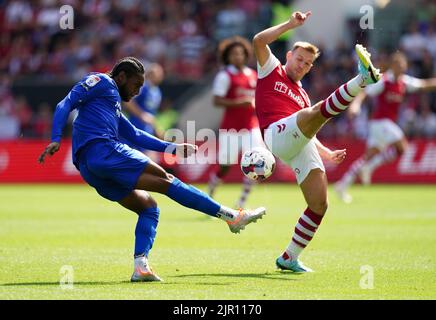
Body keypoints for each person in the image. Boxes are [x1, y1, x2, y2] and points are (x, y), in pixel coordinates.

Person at [38, 57, 266, 282]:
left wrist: (171, 147)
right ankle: (232, 216)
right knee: (166, 180)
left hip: (90, 169)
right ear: (121, 77)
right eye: (136, 85)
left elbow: (134, 134)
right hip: (105, 151)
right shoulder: (100, 81)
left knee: (149, 208)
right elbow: (64, 103)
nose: (137, 91)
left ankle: (141, 266)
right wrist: (56, 137)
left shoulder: (111, 102)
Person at [253, 11, 380, 272]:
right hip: (276, 135)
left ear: (311, 67)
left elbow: (309, 128)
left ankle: (289, 257)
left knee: (319, 204)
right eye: (299, 59)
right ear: (289, 56)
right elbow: (258, 40)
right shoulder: (271, 69)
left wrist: (326, 152)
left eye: (308, 63)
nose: (302, 65)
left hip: (299, 139)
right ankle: (361, 80)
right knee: (316, 112)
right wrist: (290, 24)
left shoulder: (302, 95)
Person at [335, 51, 436, 203]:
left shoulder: (404, 81)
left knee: (368, 156)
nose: (402, 68)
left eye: (404, 65)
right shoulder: (384, 80)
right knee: (402, 147)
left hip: (383, 125)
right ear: (393, 65)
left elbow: (423, 85)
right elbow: (365, 92)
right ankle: (370, 168)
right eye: (399, 65)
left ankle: (342, 185)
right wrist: (355, 105)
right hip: (380, 122)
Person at [207, 36, 265, 209]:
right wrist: (240, 102)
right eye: (234, 54)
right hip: (231, 128)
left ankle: (241, 202)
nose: (238, 57)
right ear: (228, 57)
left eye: (240, 53)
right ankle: (211, 191)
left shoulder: (253, 75)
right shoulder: (225, 76)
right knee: (225, 166)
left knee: (255, 164)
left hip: (251, 127)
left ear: (246, 54)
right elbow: (216, 101)